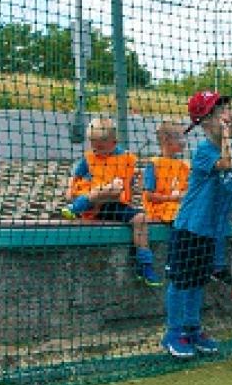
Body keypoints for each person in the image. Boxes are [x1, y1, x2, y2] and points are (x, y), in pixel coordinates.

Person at [162, 90, 232, 358]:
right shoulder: (205, 150)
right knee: (180, 281)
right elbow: (228, 164)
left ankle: (193, 328)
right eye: (219, 113)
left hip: (211, 230)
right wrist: (229, 137)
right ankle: (174, 332)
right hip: (189, 227)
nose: (227, 116)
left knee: (197, 281)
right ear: (205, 122)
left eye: (227, 110)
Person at [61, 116, 161, 287]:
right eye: (93, 146)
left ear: (113, 142)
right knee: (112, 187)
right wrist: (72, 193)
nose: (96, 151)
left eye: (100, 147)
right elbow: (72, 184)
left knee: (140, 219)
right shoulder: (88, 159)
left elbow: (127, 186)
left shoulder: (127, 159)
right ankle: (77, 207)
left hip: (114, 204)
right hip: (93, 205)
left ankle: (144, 266)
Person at [143, 120, 232, 284]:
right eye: (179, 137)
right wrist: (173, 198)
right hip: (162, 208)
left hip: (182, 205)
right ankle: (172, 262)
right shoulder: (154, 164)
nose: (183, 141)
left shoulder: (184, 165)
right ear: (165, 140)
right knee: (181, 219)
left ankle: (215, 265)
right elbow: (149, 196)